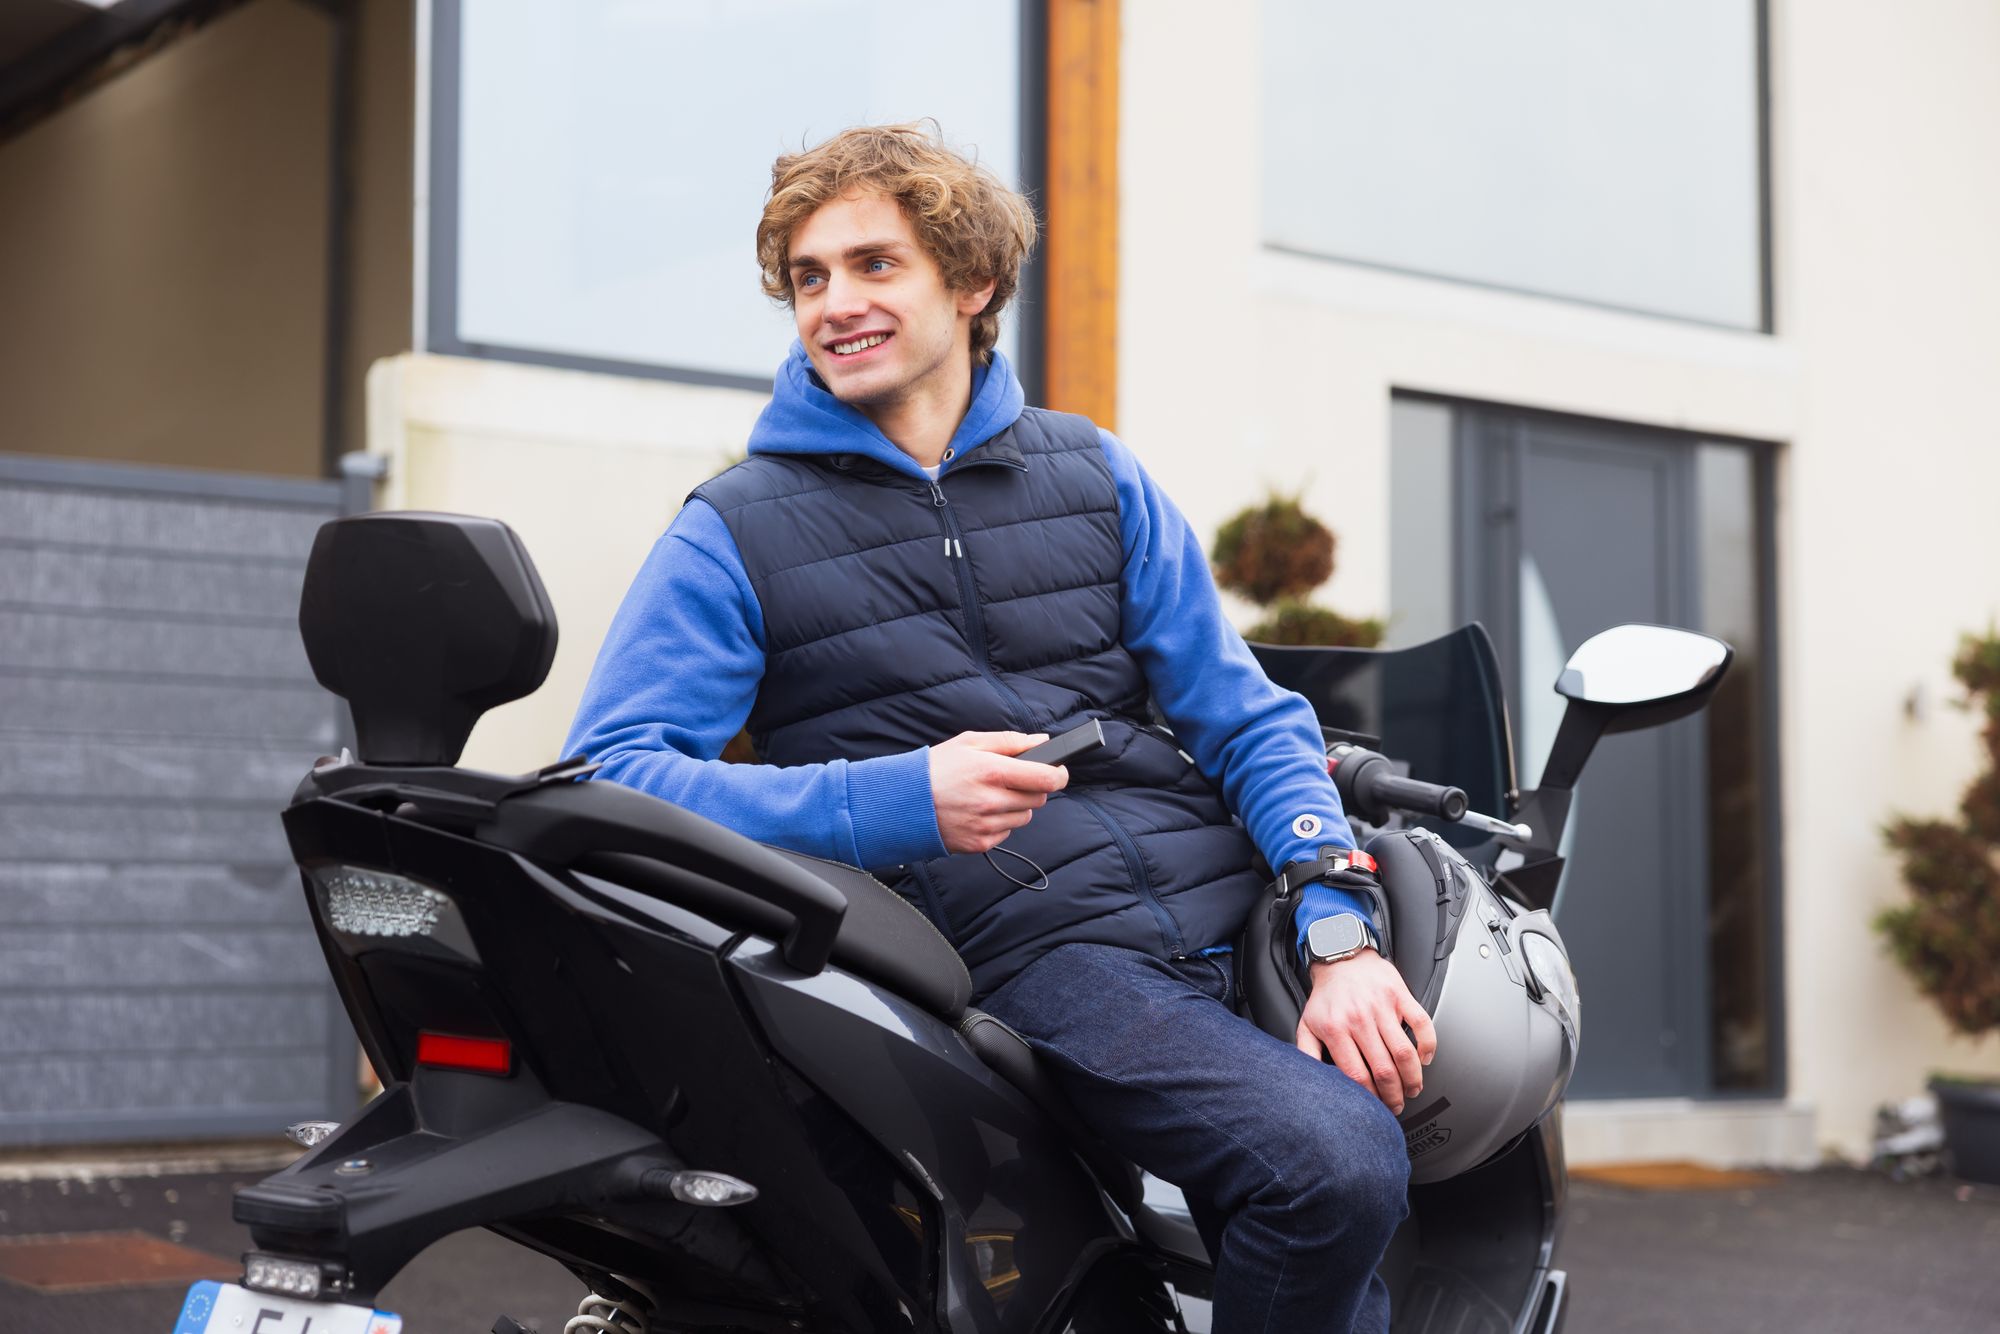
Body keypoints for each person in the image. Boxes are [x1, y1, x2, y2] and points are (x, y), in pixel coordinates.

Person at [564, 122, 1434, 1333]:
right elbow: (613, 777)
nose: (833, 304)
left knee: (1433, 1106)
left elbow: (1244, 713)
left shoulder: (1090, 472)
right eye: (809, 278)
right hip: (1039, 952)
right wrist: (896, 797)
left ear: (971, 285)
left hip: (1236, 905)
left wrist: (1333, 920)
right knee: (1329, 1164)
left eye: (874, 265)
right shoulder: (735, 527)